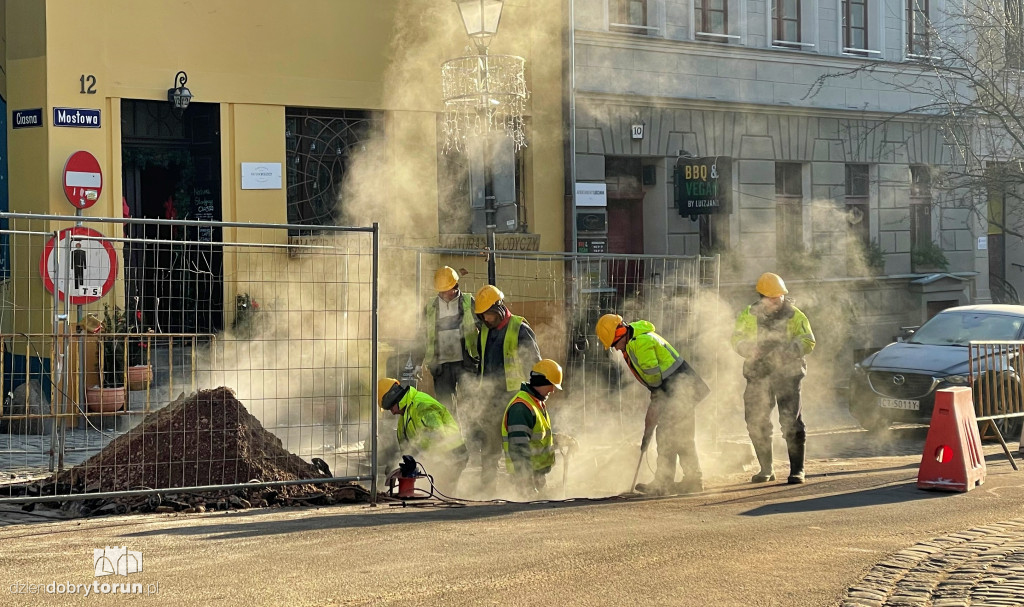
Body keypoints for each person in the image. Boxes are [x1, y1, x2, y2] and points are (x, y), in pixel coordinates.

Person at [596, 313, 710, 495]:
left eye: (614, 344)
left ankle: (666, 483)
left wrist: (656, 401)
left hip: (678, 391)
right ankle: (691, 479)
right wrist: (656, 398)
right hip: (681, 390)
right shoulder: (639, 337)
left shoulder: (639, 343)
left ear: (619, 335)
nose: (616, 350)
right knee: (680, 435)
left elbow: (654, 377)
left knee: (668, 434)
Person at [730, 272, 816, 485]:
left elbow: (808, 341)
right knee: (755, 422)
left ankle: (797, 471)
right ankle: (766, 469)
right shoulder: (748, 315)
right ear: (761, 297)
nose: (777, 300)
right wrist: (748, 349)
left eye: (779, 296)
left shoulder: (795, 315)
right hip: (757, 374)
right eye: (772, 297)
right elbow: (736, 338)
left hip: (788, 375)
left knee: (791, 422)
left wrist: (786, 351)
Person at [472, 284, 542, 494]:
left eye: (489, 315)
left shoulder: (520, 328)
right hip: (491, 398)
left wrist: (535, 395)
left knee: (517, 446)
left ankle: (526, 486)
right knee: (490, 446)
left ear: (499, 309)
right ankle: (487, 488)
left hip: (515, 398)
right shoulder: (484, 332)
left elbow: (534, 363)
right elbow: (482, 365)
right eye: (482, 316)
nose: (486, 320)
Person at [378, 377, 468, 496]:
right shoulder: (405, 416)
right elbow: (406, 448)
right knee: (436, 492)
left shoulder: (422, 406)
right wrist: (396, 464)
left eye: (390, 408)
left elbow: (438, 436)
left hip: (452, 454)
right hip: (440, 457)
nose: (392, 412)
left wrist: (419, 456)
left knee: (441, 493)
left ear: (393, 398)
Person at [501, 359, 575, 498]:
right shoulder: (521, 407)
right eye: (551, 385)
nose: (553, 390)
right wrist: (527, 486)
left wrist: (559, 439)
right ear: (542, 382)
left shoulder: (535, 402)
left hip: (535, 477)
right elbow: (518, 450)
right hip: (525, 480)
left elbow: (538, 436)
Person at [422, 266, 479, 419]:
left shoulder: (468, 302)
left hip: (465, 363)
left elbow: (484, 328)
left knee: (472, 405)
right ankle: (452, 440)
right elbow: (422, 336)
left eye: (445, 289)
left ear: (455, 286)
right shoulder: (430, 307)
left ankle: (473, 438)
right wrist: (419, 362)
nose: (443, 294)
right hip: (441, 367)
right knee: (446, 408)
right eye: (440, 290)